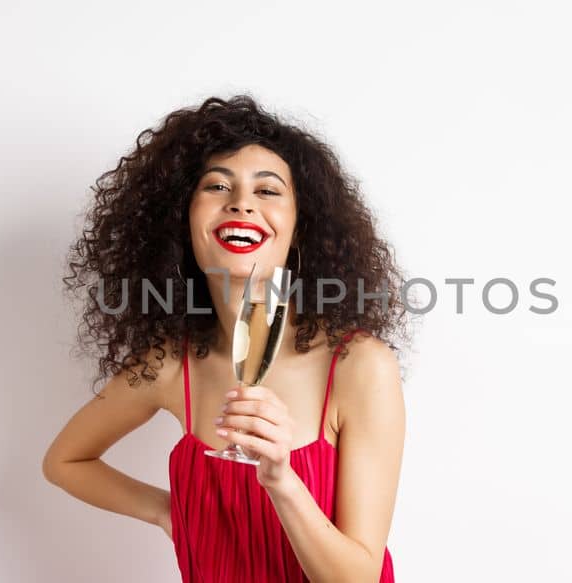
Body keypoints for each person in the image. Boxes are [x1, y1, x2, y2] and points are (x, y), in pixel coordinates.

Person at [43, 95, 410, 582]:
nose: (241, 202)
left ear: (299, 229)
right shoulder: (172, 364)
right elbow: (66, 461)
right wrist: (169, 514)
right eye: (217, 186)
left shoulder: (359, 365)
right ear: (183, 219)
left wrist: (281, 479)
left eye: (268, 191)